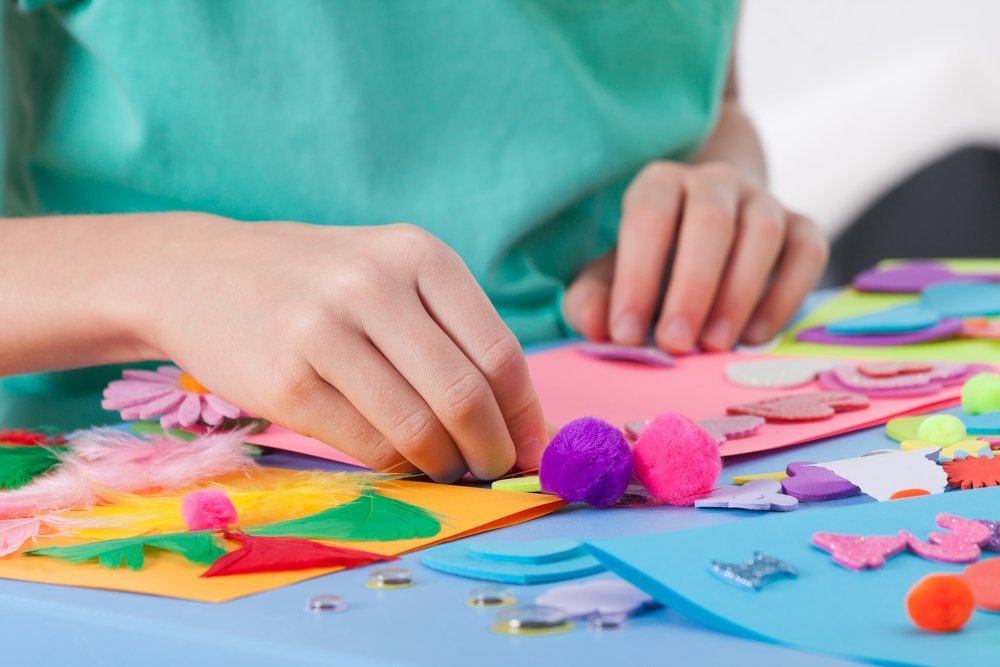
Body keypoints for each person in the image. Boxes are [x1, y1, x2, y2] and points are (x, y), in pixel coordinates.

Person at [0, 0, 827, 482]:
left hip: (674, 414)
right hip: (184, 487)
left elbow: (701, 95)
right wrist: (173, 274)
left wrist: (723, 175)